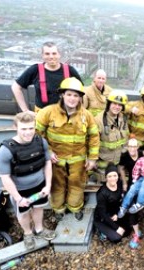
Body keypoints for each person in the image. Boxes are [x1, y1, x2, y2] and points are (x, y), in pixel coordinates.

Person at [36, 77, 100, 221]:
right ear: (62, 95)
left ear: (80, 98)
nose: (72, 98)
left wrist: (92, 158)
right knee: (57, 186)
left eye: (76, 95)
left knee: (77, 185)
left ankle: (75, 208)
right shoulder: (48, 113)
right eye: (69, 94)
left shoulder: (87, 116)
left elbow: (94, 137)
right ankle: (58, 210)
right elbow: (37, 135)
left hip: (78, 161)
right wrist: (48, 152)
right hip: (55, 160)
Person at [0, 111, 56, 249]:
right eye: (23, 129)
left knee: (38, 208)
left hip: (39, 185)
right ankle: (28, 233)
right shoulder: (6, 150)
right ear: (15, 127)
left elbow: (47, 163)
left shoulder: (41, 142)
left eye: (31, 128)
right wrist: (18, 198)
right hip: (21, 190)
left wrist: (47, 185)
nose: (28, 132)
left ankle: (39, 229)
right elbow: (5, 177)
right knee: (23, 213)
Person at [11, 41, 82, 112]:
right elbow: (16, 87)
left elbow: (81, 91)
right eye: (47, 54)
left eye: (54, 53)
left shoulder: (69, 70)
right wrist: (25, 110)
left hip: (65, 113)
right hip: (42, 114)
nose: (51, 57)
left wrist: (79, 111)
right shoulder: (35, 70)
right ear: (42, 55)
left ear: (59, 54)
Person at [94, 164, 138, 244]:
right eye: (109, 176)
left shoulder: (120, 184)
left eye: (115, 175)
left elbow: (122, 200)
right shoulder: (102, 193)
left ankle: (111, 230)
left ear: (118, 176)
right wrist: (117, 227)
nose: (113, 178)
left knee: (127, 230)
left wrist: (117, 214)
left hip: (115, 213)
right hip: (103, 217)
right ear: (106, 178)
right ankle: (103, 233)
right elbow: (102, 213)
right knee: (117, 238)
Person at [94, 90, 129, 183]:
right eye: (114, 103)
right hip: (103, 166)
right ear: (108, 103)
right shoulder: (99, 120)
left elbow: (125, 140)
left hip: (118, 164)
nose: (117, 107)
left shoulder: (123, 119)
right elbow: (92, 143)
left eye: (120, 105)